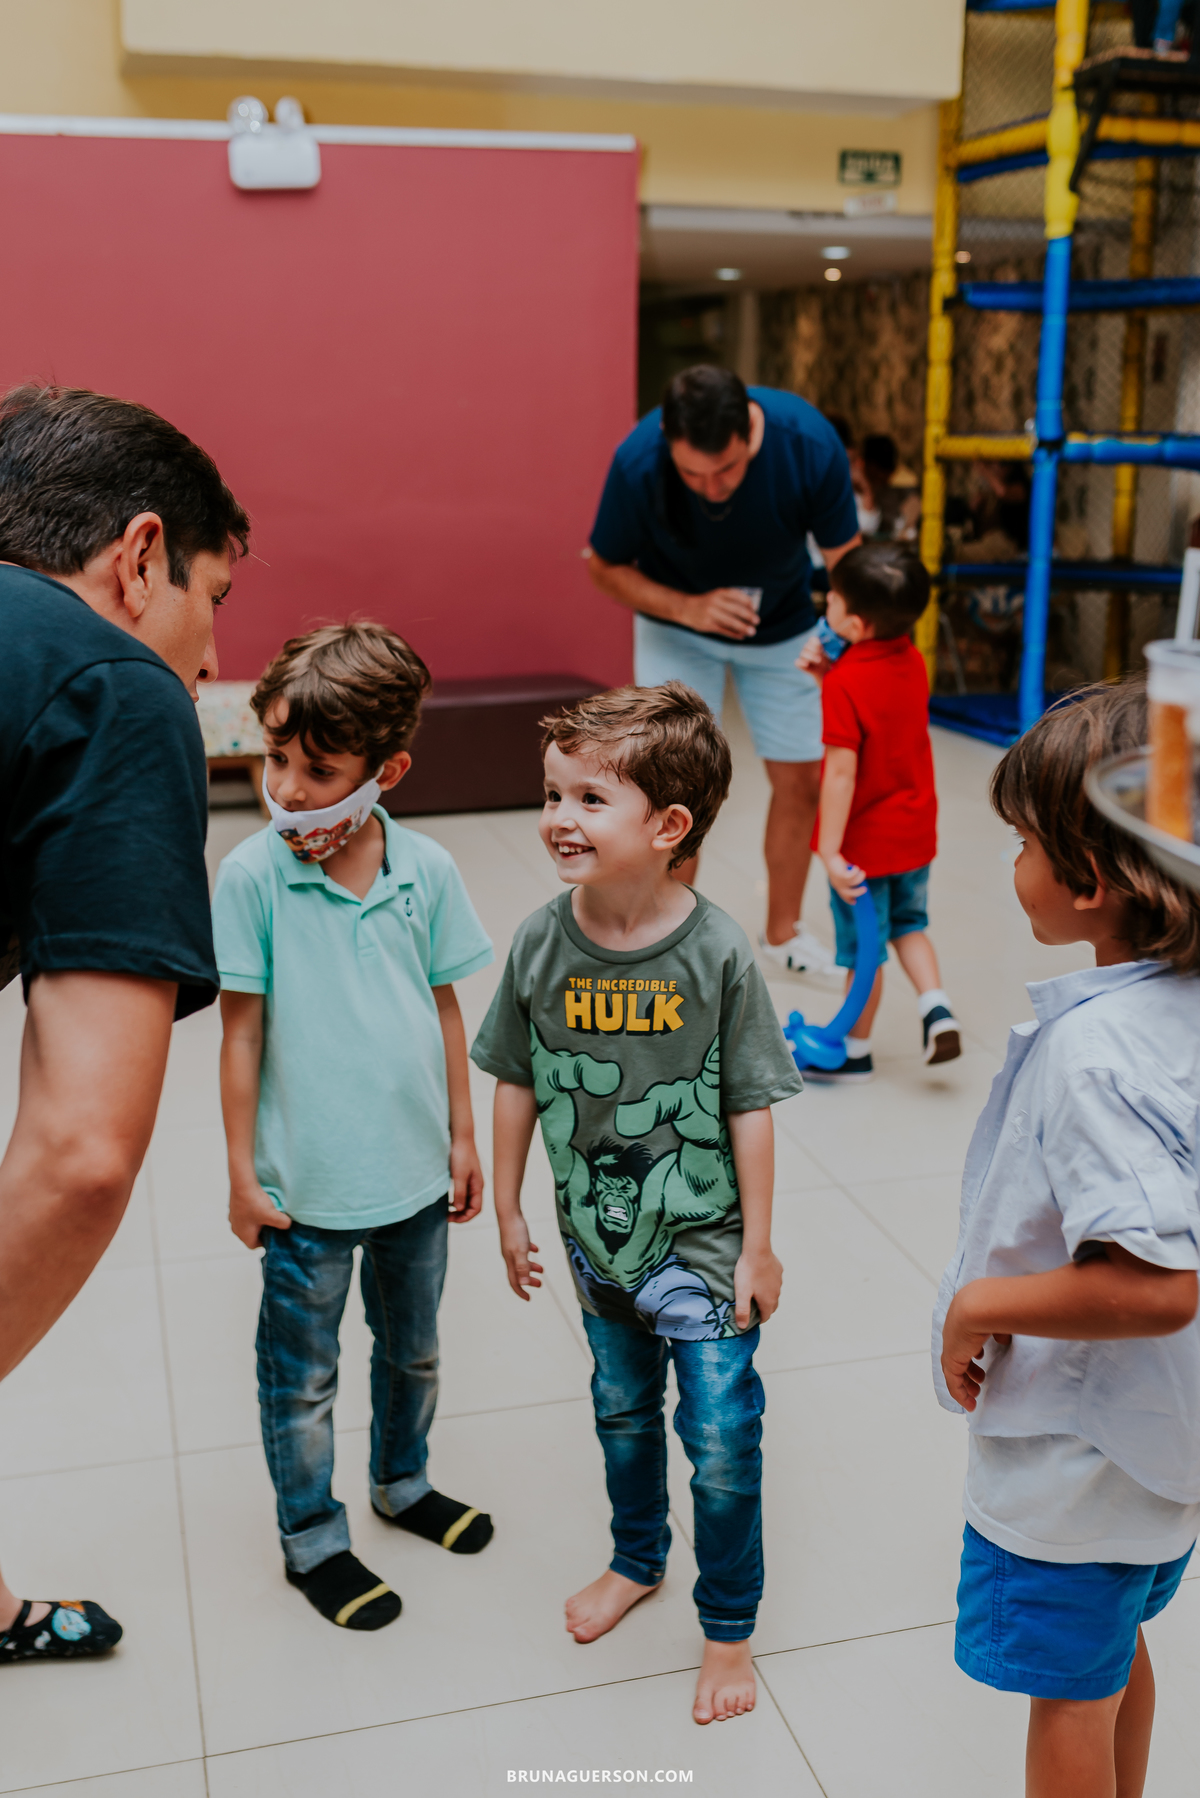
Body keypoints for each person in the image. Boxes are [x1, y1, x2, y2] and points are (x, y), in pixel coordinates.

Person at [470, 682, 803, 1725]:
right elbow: (513, 1076)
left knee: (722, 1440)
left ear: (669, 827)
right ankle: (636, 1557)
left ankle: (728, 1625)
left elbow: (749, 1104)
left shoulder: (716, 952)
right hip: (594, 1245)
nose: (559, 818)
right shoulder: (539, 941)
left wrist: (760, 1245)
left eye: (589, 798)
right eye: (553, 793)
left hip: (705, 1251)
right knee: (620, 1413)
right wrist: (512, 1209)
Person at [0, 383, 249, 1661]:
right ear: (141, 557)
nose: (210, 658)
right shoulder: (113, 681)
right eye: (216, 598)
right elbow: (82, 1153)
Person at [934, 680, 1200, 1798]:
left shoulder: (1096, 1057)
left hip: (1078, 1460)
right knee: (1110, 1654)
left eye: (1024, 844)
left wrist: (977, 1306)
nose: (1015, 864)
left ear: (1090, 878)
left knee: (1069, 1699)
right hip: (1158, 1447)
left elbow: (1157, 1286)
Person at [212, 623, 495, 1633]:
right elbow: (240, 1036)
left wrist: (462, 1136)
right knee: (303, 1380)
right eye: (276, 758)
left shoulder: (426, 869)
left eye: (319, 771)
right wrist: (242, 1174)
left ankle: (402, 1483)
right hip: (306, 1195)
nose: (287, 789)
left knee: (412, 1352)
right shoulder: (252, 876)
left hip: (415, 1178)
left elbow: (444, 1006)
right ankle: (312, 1539)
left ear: (388, 772)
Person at [586, 365, 860, 980]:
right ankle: (667, 940)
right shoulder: (638, 461)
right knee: (672, 787)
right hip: (677, 626)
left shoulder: (808, 444)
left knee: (802, 782)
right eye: (692, 475)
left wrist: (836, 638)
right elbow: (603, 567)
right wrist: (689, 607)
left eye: (727, 471)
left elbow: (848, 564)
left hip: (786, 629)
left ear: (749, 433)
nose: (711, 489)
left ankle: (783, 934)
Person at [796, 543, 960, 1083]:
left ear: (857, 624)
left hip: (864, 846)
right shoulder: (912, 659)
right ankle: (936, 1006)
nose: (826, 605)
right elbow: (881, 718)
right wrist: (828, 679)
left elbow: (842, 773)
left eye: (833, 599)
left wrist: (829, 850)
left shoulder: (846, 682)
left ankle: (857, 1050)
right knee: (910, 925)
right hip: (915, 832)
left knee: (864, 952)